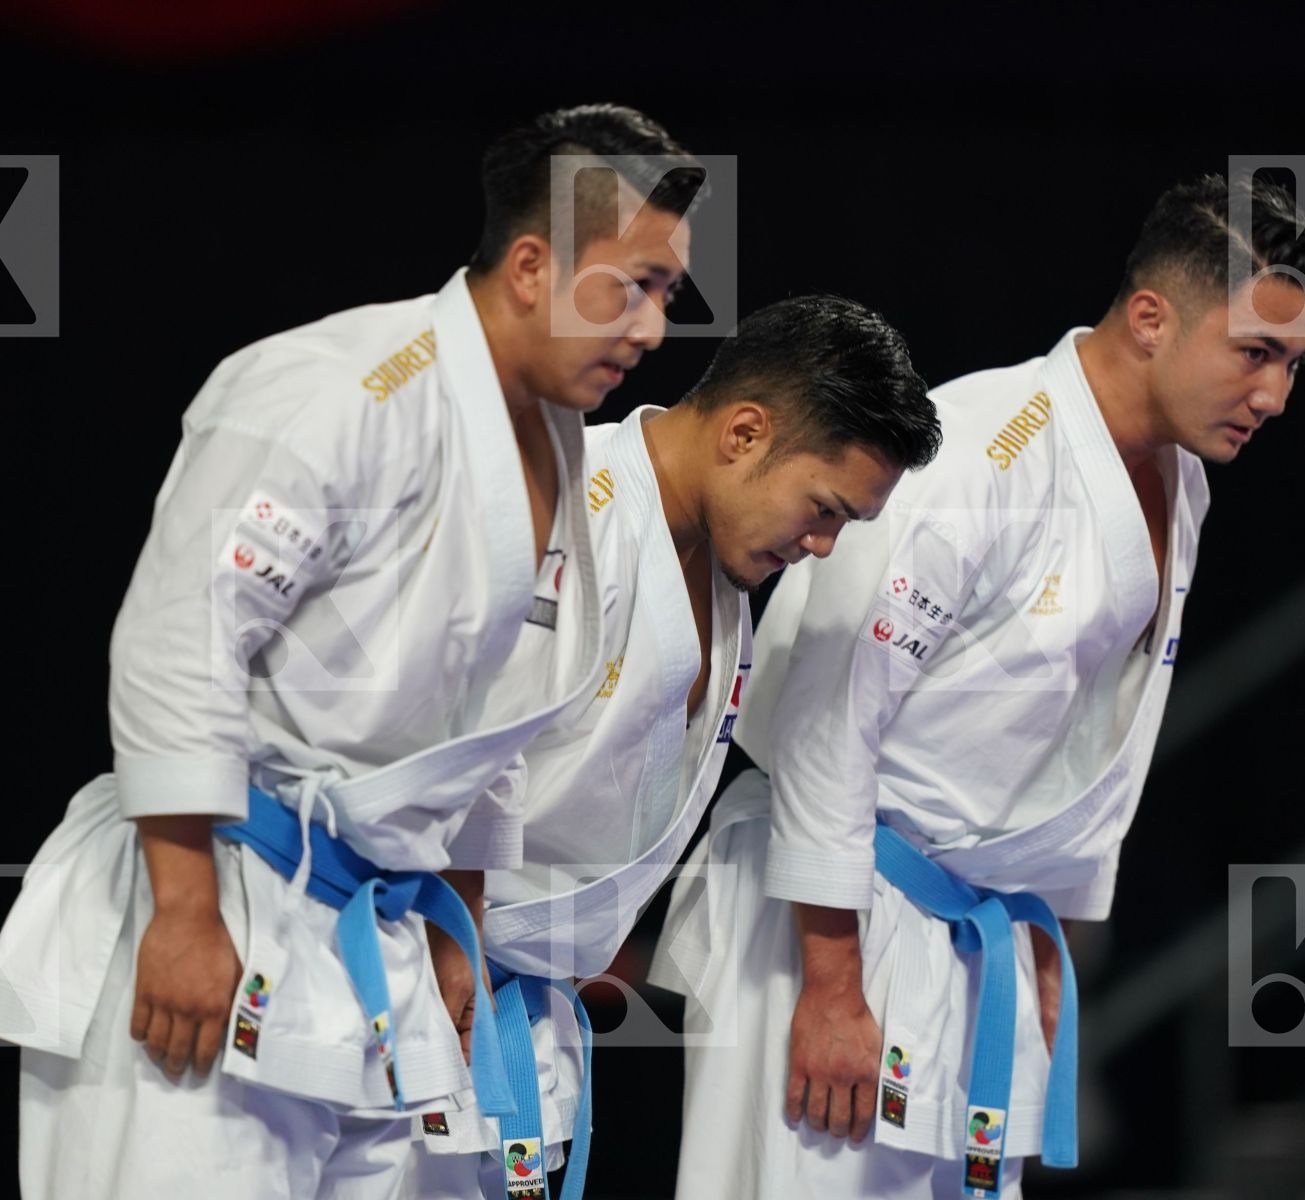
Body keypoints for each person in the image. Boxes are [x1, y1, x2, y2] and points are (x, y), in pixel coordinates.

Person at [0, 102, 701, 1199]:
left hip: (377, 946)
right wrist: (181, 911)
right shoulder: (341, 389)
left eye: (669, 297)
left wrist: (463, 922)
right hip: (225, 893)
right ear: (532, 263)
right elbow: (182, 639)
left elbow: (491, 721)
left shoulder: (550, 446)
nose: (651, 330)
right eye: (632, 286)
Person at [650, 174, 1305, 1198]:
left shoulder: (1179, 475)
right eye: (1255, 354)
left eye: (1294, 364)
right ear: (1152, 318)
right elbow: (832, 720)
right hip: (828, 916)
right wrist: (834, 983)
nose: (1276, 396)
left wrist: (1053, 930)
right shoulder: (977, 453)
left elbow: (1104, 731)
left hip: (974, 934)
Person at [404, 294, 944, 1198]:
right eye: (823, 508)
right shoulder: (569, 515)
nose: (822, 545)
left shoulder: (717, 562)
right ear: (743, 432)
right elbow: (460, 738)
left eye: (845, 525)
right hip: (423, 959)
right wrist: (450, 930)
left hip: (515, 996)